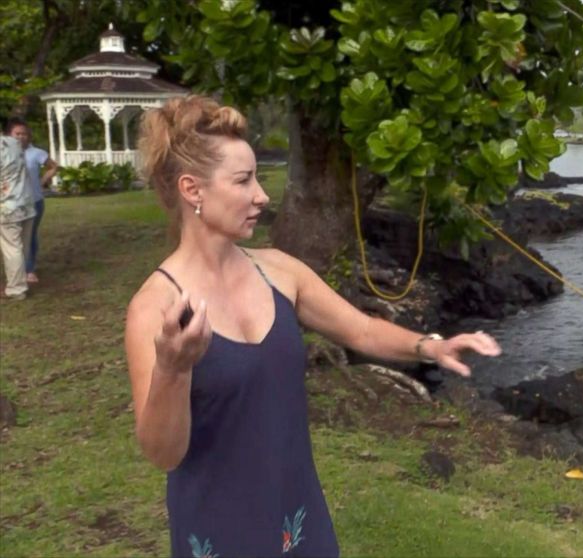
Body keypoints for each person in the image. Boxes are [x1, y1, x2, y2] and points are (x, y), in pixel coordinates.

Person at [124, 95, 502, 557]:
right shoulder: (154, 309)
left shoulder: (280, 271)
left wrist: (430, 347)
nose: (262, 195)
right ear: (192, 189)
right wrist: (173, 370)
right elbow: (163, 453)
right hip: (217, 529)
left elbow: (361, 331)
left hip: (297, 517)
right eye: (243, 181)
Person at [7, 118, 58, 284]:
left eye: (24, 133)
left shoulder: (36, 153)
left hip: (34, 201)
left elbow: (53, 166)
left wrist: (42, 182)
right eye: (17, 133)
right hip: (11, 202)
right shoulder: (5, 152)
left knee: (29, 236)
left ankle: (29, 269)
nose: (21, 137)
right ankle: (15, 271)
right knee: (13, 239)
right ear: (9, 135)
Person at [1, 130, 37, 300]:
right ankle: (20, 281)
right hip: (26, 203)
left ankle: (16, 288)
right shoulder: (15, 143)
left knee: (12, 248)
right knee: (22, 246)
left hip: (8, 205)